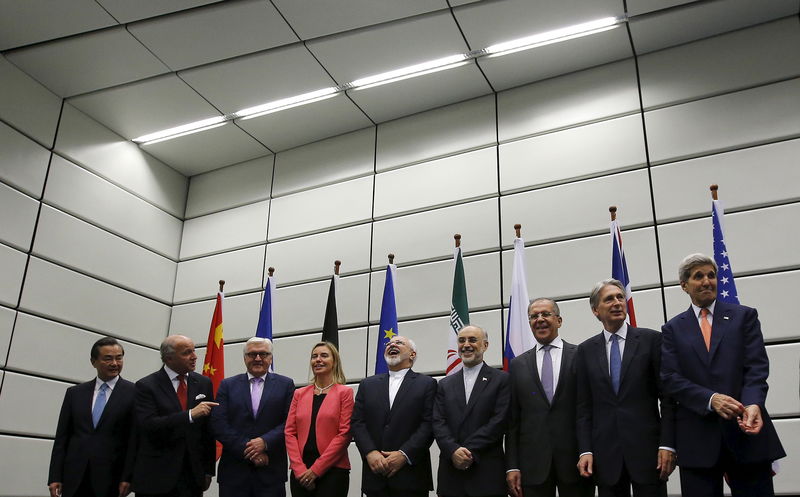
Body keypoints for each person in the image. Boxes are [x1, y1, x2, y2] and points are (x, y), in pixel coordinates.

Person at [661, 254, 785, 496]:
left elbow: (756, 368)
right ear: (684, 285)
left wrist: (753, 404)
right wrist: (711, 399)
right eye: (699, 276)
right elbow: (670, 378)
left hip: (745, 433)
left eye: (711, 275)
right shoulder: (672, 329)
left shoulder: (744, 316)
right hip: (698, 441)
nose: (707, 281)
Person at [576, 279, 676, 497]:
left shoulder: (651, 340)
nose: (617, 303)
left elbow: (667, 399)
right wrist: (585, 450)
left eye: (620, 297)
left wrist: (667, 444)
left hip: (649, 454)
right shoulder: (584, 351)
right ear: (595, 310)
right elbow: (583, 408)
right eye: (609, 299)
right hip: (605, 457)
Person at [506, 299, 594, 497]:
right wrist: (512, 466)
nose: (540, 320)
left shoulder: (581, 355)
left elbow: (587, 409)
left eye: (545, 314)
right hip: (532, 467)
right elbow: (513, 421)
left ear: (559, 320)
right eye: (534, 316)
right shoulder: (517, 365)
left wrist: (587, 451)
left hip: (576, 462)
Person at [48, 337, 136, 497]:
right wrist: (55, 476)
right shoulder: (75, 393)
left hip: (111, 478)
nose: (115, 363)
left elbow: (134, 440)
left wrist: (128, 477)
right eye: (108, 358)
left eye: (119, 358)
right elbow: (62, 438)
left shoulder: (135, 393)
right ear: (93, 361)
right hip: (74, 476)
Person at [132, 335, 218, 497]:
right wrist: (190, 415)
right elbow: (148, 425)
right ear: (169, 358)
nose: (194, 357)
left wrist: (208, 471)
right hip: (156, 475)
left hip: (192, 476)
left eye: (194, 351)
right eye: (187, 353)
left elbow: (208, 431)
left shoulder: (203, 383)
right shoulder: (146, 386)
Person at [351, 335, 437, 497]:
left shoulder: (427, 384)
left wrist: (404, 454)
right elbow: (357, 422)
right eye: (389, 343)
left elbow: (429, 424)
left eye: (399, 343)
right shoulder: (367, 384)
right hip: (376, 474)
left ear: (412, 354)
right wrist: (370, 453)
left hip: (411, 476)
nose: (392, 345)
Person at [211, 337, 295, 497]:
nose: (257, 358)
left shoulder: (286, 384)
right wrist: (248, 449)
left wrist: (265, 442)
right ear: (244, 358)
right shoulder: (227, 385)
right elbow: (218, 423)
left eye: (263, 354)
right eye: (252, 354)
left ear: (271, 358)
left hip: (271, 472)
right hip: (234, 472)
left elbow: (290, 422)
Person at [433, 325, 510, 497]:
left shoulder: (502, 380)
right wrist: (453, 451)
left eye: (472, 340)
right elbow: (438, 422)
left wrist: (467, 451)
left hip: (486, 472)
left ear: (485, 345)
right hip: (451, 474)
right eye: (461, 340)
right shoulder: (445, 384)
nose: (466, 344)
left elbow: (499, 421)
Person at [285, 341, 353, 497]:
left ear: (334, 361)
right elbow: (289, 432)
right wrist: (299, 469)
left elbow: (345, 434)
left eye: (324, 355)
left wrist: (316, 470)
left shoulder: (345, 393)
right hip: (300, 472)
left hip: (333, 471)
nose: (318, 360)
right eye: (314, 356)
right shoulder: (299, 393)